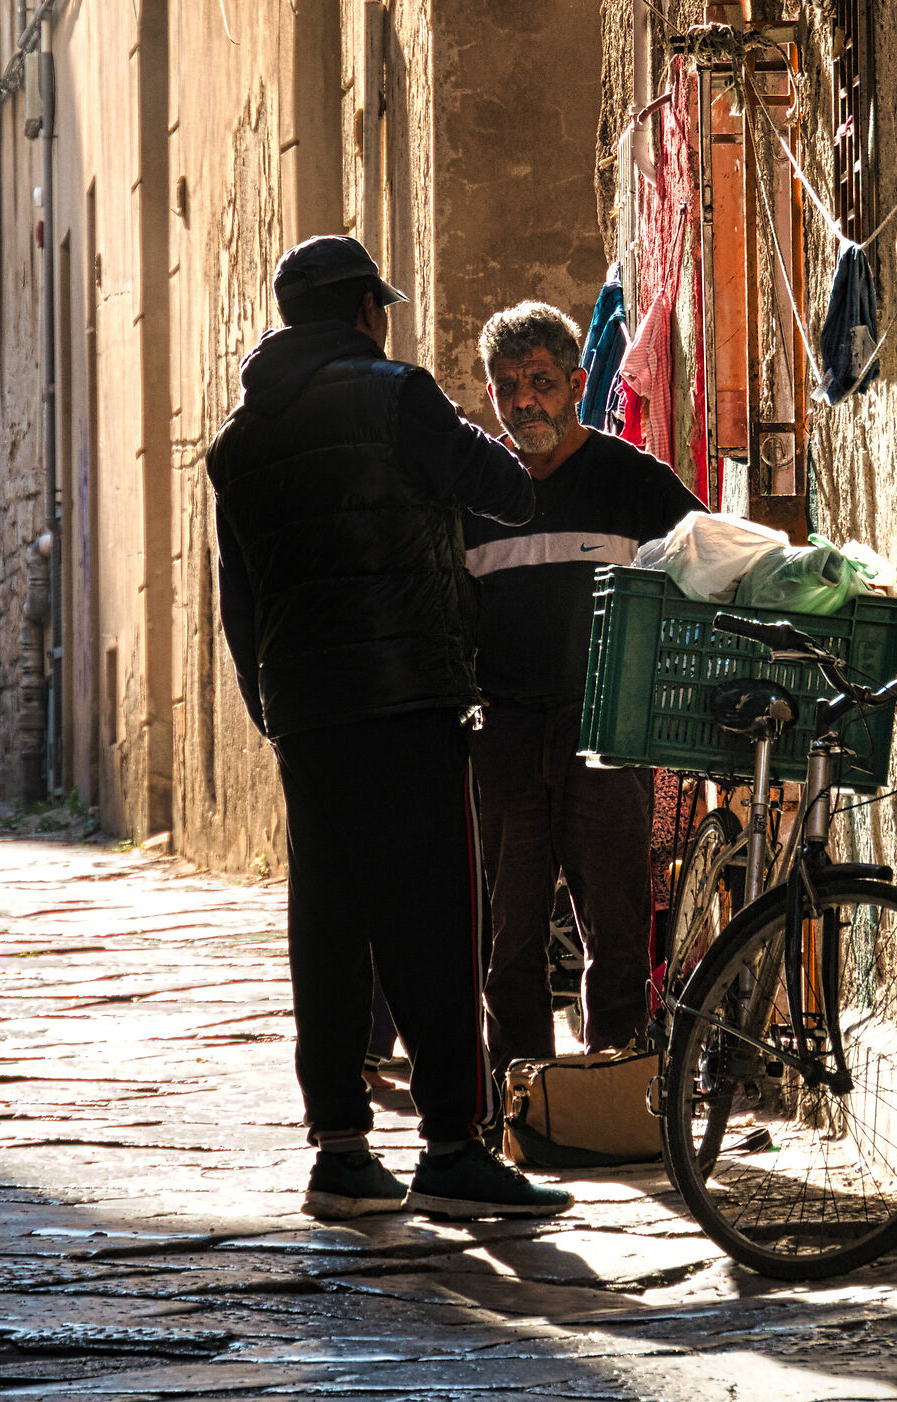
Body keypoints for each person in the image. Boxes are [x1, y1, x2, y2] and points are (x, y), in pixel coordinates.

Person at [207, 237, 574, 1223]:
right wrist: (462, 435)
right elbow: (508, 488)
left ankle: (340, 1151)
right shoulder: (396, 394)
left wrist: (272, 708)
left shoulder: (240, 440)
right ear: (368, 308)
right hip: (407, 694)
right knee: (439, 921)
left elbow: (239, 599)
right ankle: (453, 1145)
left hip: (309, 713)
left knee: (329, 926)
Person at [465, 301, 702, 1064]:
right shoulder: (474, 494)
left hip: (606, 732)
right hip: (501, 735)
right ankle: (519, 1101)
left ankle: (617, 1095)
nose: (524, 400)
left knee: (618, 928)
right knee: (509, 939)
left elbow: (709, 563)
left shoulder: (633, 481)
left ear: (576, 382)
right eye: (506, 387)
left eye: (539, 381)